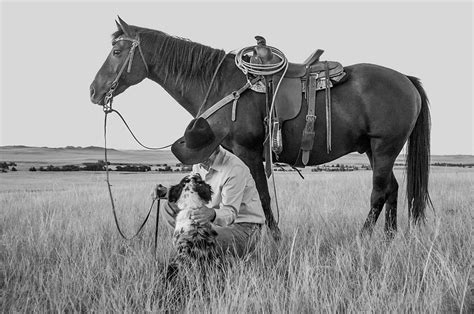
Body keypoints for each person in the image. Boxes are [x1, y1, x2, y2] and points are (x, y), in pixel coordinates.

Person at [157, 117, 265, 258]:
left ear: (212, 149)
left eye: (199, 155)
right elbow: (190, 191)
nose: (196, 160)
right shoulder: (199, 164)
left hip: (243, 227)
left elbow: (230, 213)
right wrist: (167, 192)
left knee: (203, 241)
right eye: (193, 155)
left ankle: (196, 252)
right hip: (211, 222)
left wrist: (212, 214)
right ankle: (190, 246)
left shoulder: (233, 169)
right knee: (169, 208)